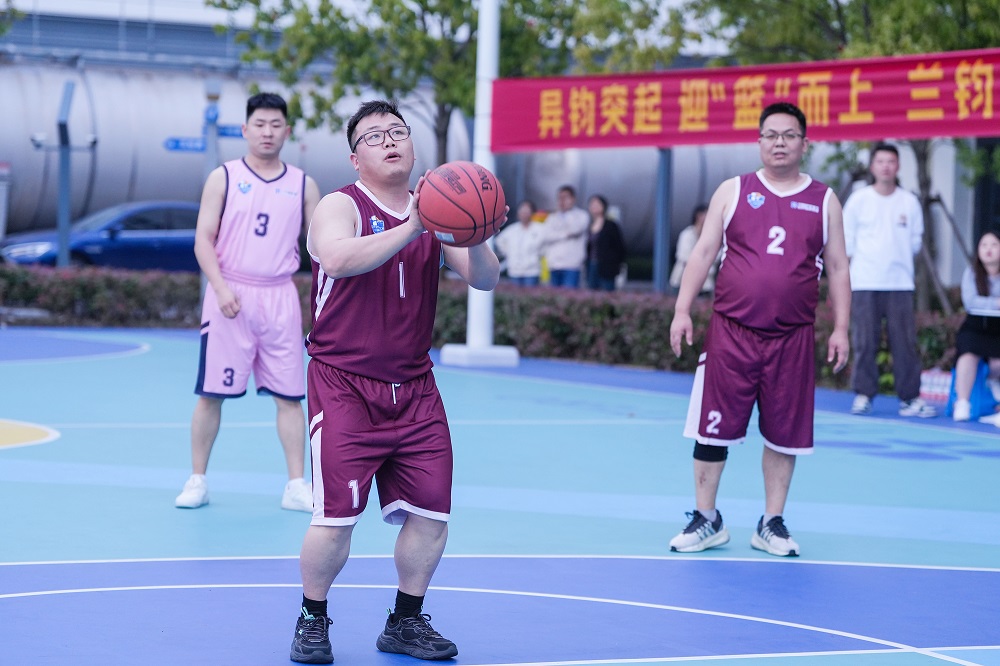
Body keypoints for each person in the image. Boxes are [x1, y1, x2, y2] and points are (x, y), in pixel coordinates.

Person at [288, 99, 500, 664]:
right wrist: (414, 227)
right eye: (374, 135)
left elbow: (485, 279)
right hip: (344, 383)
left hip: (415, 387)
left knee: (432, 515)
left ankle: (405, 620)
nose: (389, 140)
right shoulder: (341, 205)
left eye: (398, 131)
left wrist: (477, 231)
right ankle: (312, 617)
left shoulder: (435, 210)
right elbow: (337, 259)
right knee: (336, 518)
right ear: (355, 158)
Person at [668, 102, 851, 558]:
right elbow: (703, 252)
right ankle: (707, 518)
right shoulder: (733, 190)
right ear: (759, 142)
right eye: (771, 135)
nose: (779, 143)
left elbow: (838, 268)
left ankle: (771, 522)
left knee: (784, 433)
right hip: (732, 332)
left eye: (789, 135)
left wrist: (841, 328)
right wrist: (682, 310)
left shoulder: (824, 199)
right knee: (712, 428)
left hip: (792, 336)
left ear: (804, 144)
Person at [175, 92, 320, 512]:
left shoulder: (304, 184)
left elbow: (322, 246)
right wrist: (220, 288)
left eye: (275, 125)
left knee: (290, 397)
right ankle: (197, 479)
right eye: (259, 124)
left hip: (280, 295)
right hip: (231, 294)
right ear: (245, 129)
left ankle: (296, 485)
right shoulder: (223, 177)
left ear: (287, 131)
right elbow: (203, 240)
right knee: (211, 394)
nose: (267, 132)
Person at [843, 143, 936, 418]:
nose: (885, 166)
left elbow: (916, 242)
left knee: (904, 343)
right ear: (872, 166)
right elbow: (847, 240)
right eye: (880, 161)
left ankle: (909, 398)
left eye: (891, 161)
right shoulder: (859, 200)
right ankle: (863, 394)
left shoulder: (909, 201)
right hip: (865, 281)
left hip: (900, 283)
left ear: (898, 166)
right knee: (865, 341)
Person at [952, 230, 1000, 421]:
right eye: (984, 245)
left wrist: (987, 303)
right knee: (967, 354)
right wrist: (995, 303)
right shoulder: (971, 273)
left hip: (998, 328)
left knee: (997, 364)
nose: (989, 249)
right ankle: (962, 403)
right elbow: (970, 302)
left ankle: (994, 385)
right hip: (976, 326)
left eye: (994, 245)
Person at [541, 184, 589, 287]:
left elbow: (576, 230)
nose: (562, 200)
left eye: (565, 197)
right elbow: (547, 236)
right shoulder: (552, 217)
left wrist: (566, 216)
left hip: (572, 265)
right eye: (560, 198)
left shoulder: (581, 215)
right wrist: (566, 234)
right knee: (554, 295)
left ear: (573, 199)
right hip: (554, 264)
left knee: (569, 295)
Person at [495, 199, 545, 286]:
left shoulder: (539, 229)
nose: (524, 214)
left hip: (532, 271)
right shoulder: (512, 229)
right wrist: (508, 252)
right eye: (522, 211)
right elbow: (499, 241)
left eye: (526, 211)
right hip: (515, 271)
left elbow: (545, 245)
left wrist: (537, 255)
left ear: (532, 213)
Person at [670, 204, 718, 294]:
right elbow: (684, 257)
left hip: (706, 284)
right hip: (682, 282)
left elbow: (717, 255)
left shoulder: (712, 236)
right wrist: (704, 264)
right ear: (699, 216)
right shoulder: (687, 235)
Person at [585, 194, 627, 291]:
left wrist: (616, 264)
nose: (594, 207)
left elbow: (620, 247)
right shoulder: (590, 226)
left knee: (607, 293)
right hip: (592, 265)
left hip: (607, 266)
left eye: (597, 204)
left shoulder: (611, 225)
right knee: (591, 293)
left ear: (604, 206)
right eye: (592, 204)